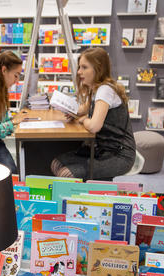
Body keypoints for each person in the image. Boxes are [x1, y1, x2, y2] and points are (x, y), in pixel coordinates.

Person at [51, 47, 136, 180]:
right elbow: (81, 110)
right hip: (102, 150)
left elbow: (94, 126)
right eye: (79, 67)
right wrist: (71, 111)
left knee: (65, 173)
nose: (79, 72)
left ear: (98, 69)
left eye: (84, 67)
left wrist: (84, 120)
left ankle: (73, 199)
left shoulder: (105, 90)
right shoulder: (96, 89)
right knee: (57, 163)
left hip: (119, 155)